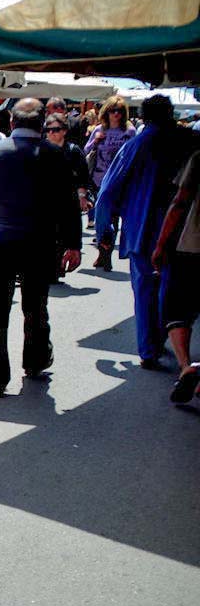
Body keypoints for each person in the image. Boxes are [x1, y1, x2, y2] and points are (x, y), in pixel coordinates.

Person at [0, 99, 83, 397]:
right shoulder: (55, 156)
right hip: (39, 242)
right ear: (41, 124)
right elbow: (69, 206)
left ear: (12, 123)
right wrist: (72, 244)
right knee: (35, 306)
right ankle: (35, 361)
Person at [94, 95, 200, 369]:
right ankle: (169, 343)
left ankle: (149, 349)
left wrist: (104, 230)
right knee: (176, 291)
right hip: (186, 232)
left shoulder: (137, 145)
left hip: (143, 230)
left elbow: (107, 192)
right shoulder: (190, 141)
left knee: (144, 290)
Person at [152, 150, 200, 403]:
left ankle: (185, 366)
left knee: (177, 310)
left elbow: (180, 200)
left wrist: (161, 243)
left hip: (193, 245)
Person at [85, 96, 137, 269]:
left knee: (112, 217)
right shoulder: (99, 130)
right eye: (113, 111)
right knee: (102, 216)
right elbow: (86, 150)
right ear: (106, 112)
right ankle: (102, 250)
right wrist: (96, 140)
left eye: (120, 111)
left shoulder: (129, 132)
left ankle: (105, 254)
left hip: (119, 182)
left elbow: (133, 155)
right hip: (99, 178)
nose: (116, 115)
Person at [43, 112, 93, 215]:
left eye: (56, 130)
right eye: (48, 130)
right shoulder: (40, 150)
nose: (51, 132)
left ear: (64, 131)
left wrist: (82, 197)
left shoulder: (73, 151)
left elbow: (82, 177)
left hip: (69, 204)